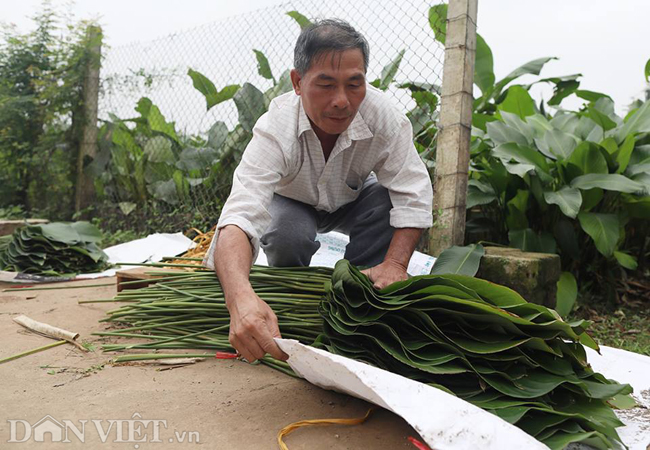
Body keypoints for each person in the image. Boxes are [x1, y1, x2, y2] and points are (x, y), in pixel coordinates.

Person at [204, 19, 433, 364]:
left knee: (388, 205)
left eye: (354, 85)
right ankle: (289, 300)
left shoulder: (382, 116)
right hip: (291, 200)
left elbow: (412, 190)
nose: (342, 101)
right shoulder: (275, 127)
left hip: (353, 198)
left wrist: (397, 264)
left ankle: (361, 301)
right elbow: (240, 214)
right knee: (287, 234)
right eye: (325, 85)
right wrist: (239, 300)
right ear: (298, 82)